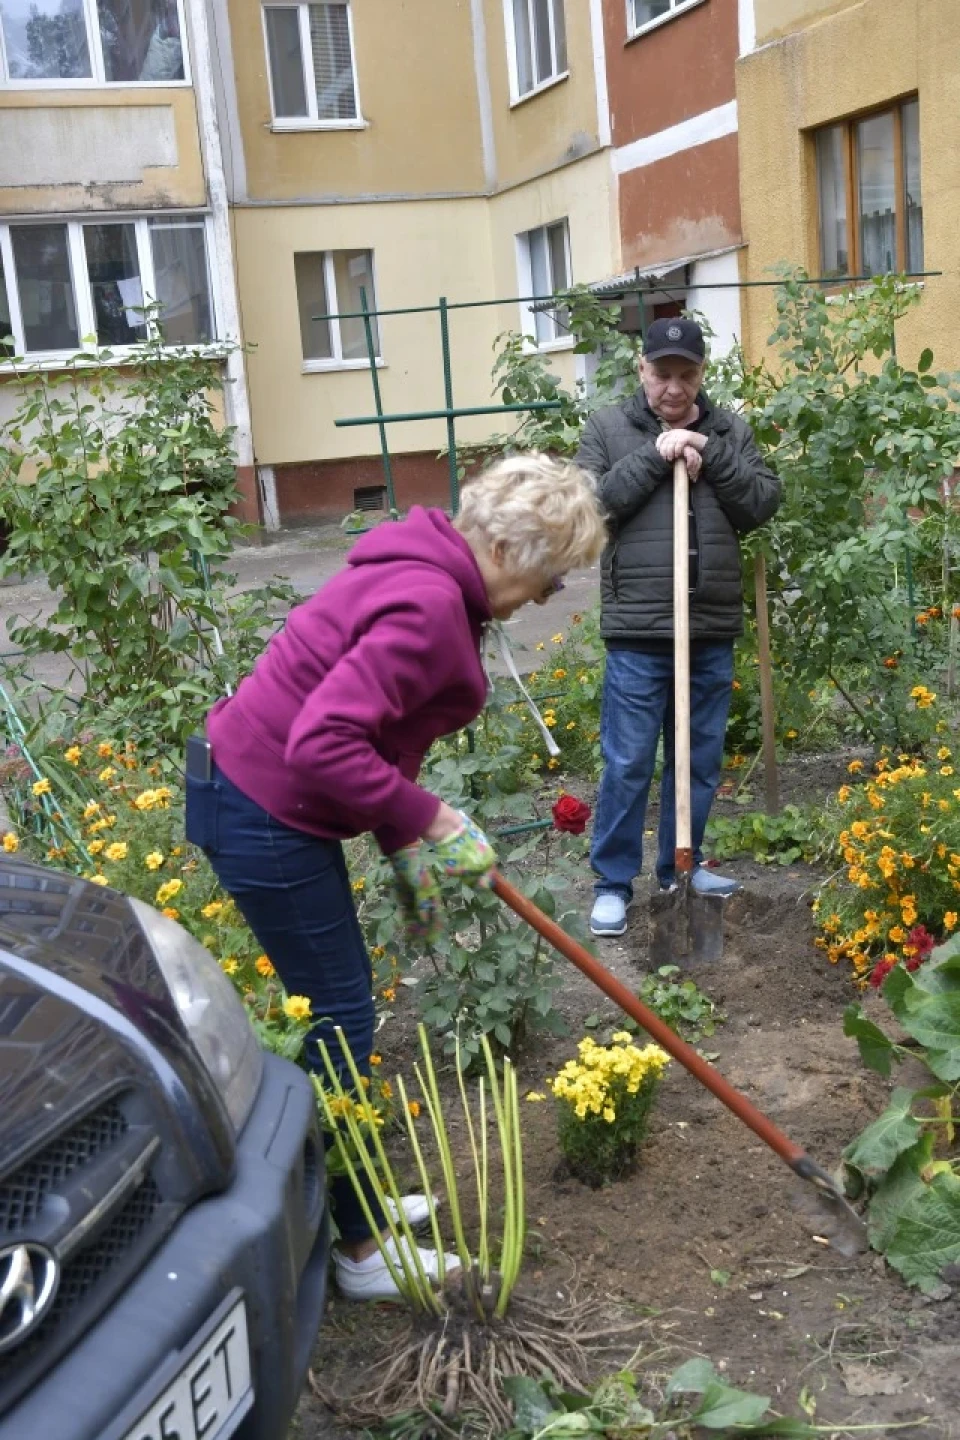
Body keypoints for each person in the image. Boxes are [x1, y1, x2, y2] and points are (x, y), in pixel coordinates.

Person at [185, 454, 606, 1298]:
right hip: (262, 813)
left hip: (250, 797)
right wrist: (436, 820)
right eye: (553, 577)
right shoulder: (426, 606)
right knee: (338, 1018)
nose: (551, 597)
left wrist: (406, 852)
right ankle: (360, 1248)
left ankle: (343, 1200)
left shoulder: (426, 572)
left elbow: (379, 740)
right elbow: (323, 744)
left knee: (338, 1011)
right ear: (507, 547)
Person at [574, 317, 782, 938]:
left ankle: (677, 870)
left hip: (710, 624)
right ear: (642, 370)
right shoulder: (609, 429)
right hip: (640, 630)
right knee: (629, 761)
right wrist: (654, 454)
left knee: (699, 762)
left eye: (686, 374)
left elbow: (763, 502)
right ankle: (612, 883)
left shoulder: (728, 430)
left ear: (701, 374)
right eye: (662, 374)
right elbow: (590, 505)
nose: (673, 387)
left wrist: (710, 456)